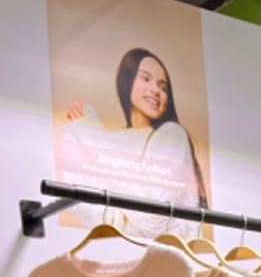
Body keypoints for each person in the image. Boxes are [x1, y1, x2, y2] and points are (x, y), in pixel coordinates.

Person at [61, 47, 208, 239]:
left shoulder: (173, 135)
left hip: (169, 253)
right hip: (120, 253)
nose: (155, 90)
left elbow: (155, 216)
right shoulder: (113, 140)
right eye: (146, 78)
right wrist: (77, 127)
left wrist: (88, 133)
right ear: (127, 81)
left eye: (163, 87)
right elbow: (102, 218)